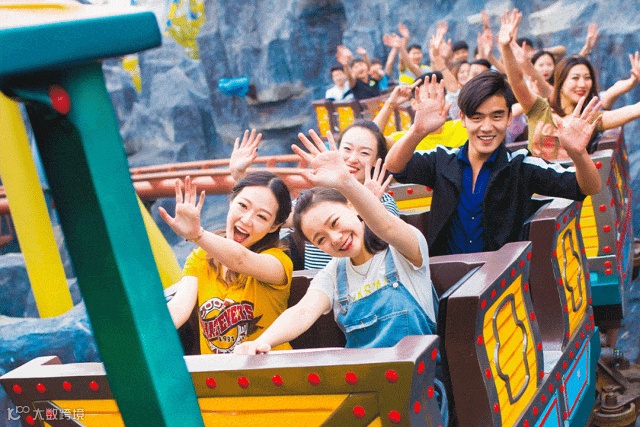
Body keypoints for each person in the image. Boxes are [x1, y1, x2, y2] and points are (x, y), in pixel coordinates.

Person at [234, 130, 438, 352]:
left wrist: (346, 182)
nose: (336, 238)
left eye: (334, 222)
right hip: (366, 371)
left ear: (352, 206)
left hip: (418, 371)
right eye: (320, 239)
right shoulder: (333, 274)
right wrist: (262, 341)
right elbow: (303, 311)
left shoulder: (403, 250)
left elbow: (385, 226)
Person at [384, 71, 602, 256]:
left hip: (502, 281)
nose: (487, 127)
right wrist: (418, 131)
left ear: (509, 118)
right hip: (446, 277)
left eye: (497, 116)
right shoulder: (442, 160)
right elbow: (394, 166)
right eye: (477, 118)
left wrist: (578, 153)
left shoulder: (522, 165)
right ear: (463, 118)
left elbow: (588, 187)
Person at [159, 171, 293, 354]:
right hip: (219, 370)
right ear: (231, 202)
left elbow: (240, 259)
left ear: (274, 226)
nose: (246, 220)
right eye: (243, 205)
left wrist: (198, 235)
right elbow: (179, 308)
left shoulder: (278, 262)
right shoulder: (200, 257)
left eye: (261, 216)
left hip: (269, 369)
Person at [498, 9, 640, 160]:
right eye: (575, 78)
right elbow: (518, 81)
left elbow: (633, 110)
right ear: (561, 82)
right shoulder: (539, 109)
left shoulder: (589, 118)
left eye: (587, 78)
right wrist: (505, 47)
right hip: (535, 174)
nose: (582, 84)